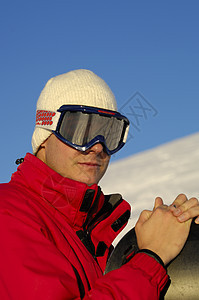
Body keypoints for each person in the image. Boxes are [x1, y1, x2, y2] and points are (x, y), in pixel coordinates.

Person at [0, 69, 198, 299]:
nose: (97, 147)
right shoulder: (9, 213)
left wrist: (181, 241)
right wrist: (150, 259)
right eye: (79, 130)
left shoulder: (87, 234)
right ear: (45, 134)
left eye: (109, 133)